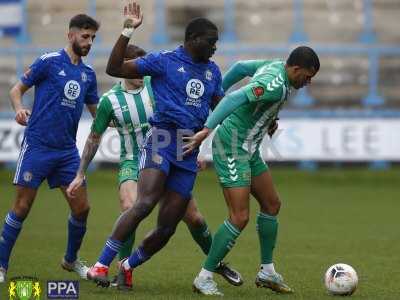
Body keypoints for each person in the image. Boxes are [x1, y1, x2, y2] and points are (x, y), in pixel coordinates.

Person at [67, 44, 242, 290]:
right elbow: (94, 137)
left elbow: (184, 113)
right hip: (132, 159)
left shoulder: (157, 84)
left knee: (194, 217)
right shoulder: (109, 101)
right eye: (135, 68)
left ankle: (216, 263)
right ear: (126, 68)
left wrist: (190, 150)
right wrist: (80, 172)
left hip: (170, 153)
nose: (141, 74)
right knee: (132, 205)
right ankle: (120, 269)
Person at [184, 46, 320, 295]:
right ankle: (204, 277)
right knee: (239, 216)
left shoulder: (275, 64)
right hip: (232, 146)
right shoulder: (275, 83)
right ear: (296, 68)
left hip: (250, 147)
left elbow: (239, 68)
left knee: (272, 204)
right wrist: (207, 127)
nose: (308, 82)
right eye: (307, 77)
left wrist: (268, 117)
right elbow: (235, 98)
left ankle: (267, 271)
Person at [0, 14, 100, 283]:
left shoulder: (88, 75)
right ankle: (1, 266)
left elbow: (98, 114)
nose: (89, 42)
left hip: (67, 151)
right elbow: (15, 90)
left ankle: (70, 260)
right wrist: (20, 109)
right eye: (85, 36)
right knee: (21, 207)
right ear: (70, 35)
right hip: (38, 146)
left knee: (82, 208)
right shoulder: (48, 62)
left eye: (93, 38)